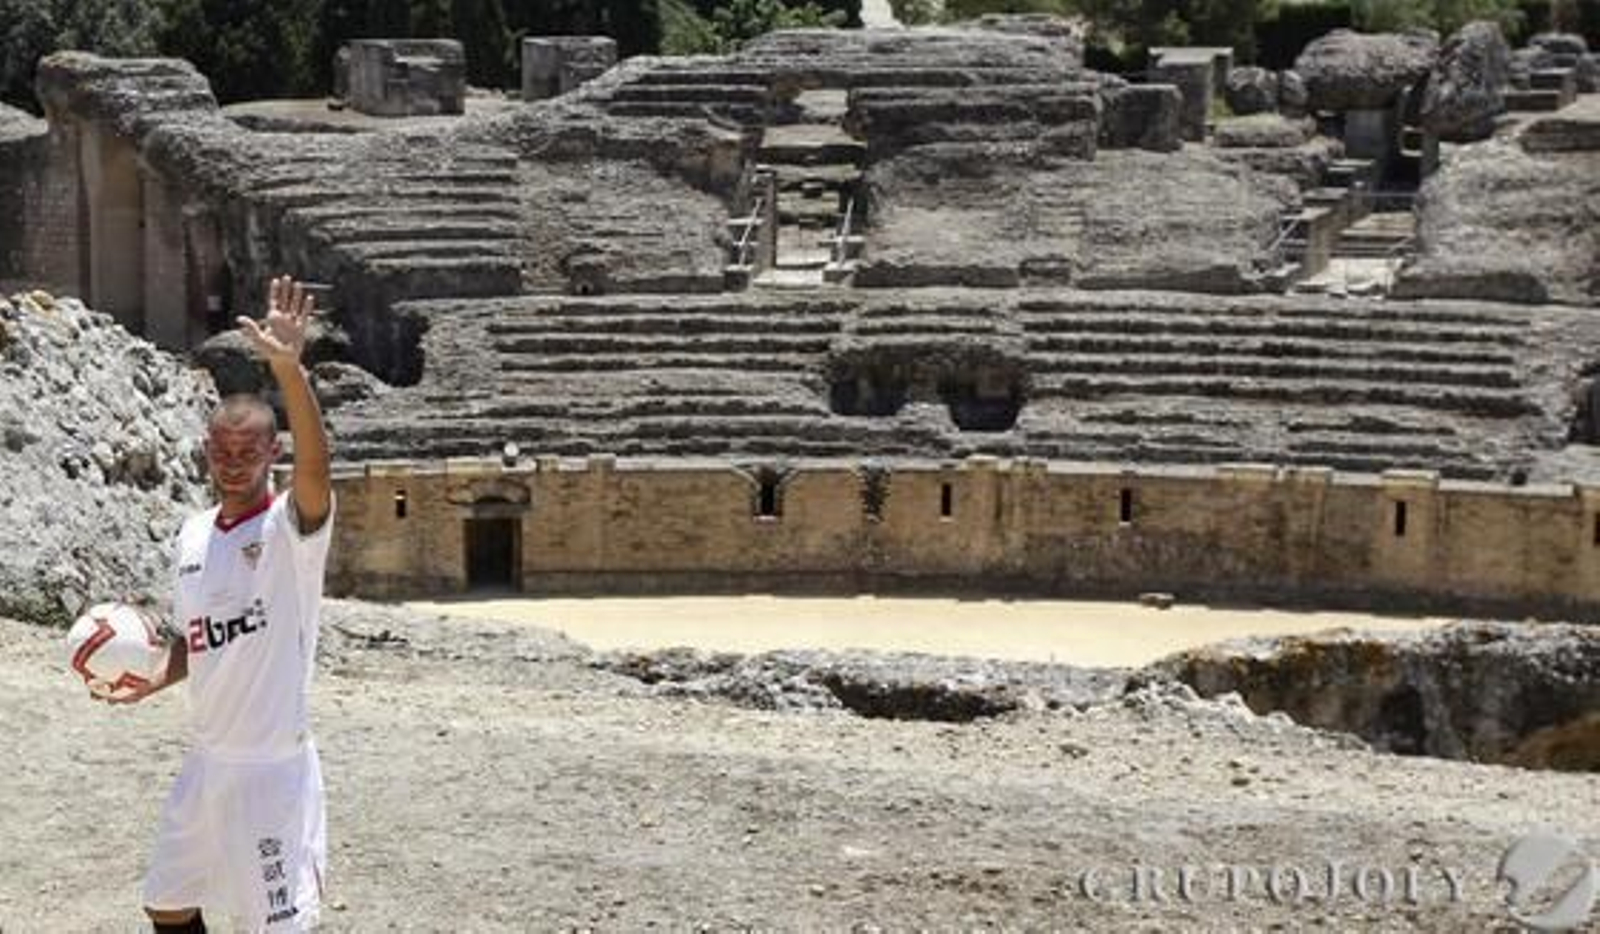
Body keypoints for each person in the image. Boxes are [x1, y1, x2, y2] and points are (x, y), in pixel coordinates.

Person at [111, 275, 335, 933]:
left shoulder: (291, 531)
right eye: (223, 451)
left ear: (273, 452)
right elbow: (198, 639)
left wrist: (289, 371)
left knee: (276, 927)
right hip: (207, 760)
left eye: (249, 451)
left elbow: (319, 472)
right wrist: (148, 675)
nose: (235, 463)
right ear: (208, 453)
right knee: (168, 902)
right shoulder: (193, 534)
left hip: (272, 770)